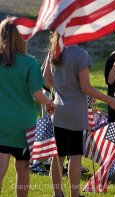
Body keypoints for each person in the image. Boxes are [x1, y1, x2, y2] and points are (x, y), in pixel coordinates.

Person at [44, 32, 115, 197]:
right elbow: (86, 88)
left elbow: (46, 79)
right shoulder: (81, 55)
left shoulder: (54, 50)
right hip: (76, 113)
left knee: (57, 156)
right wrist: (110, 100)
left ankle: (57, 194)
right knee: (75, 156)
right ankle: (75, 194)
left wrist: (61, 91)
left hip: (58, 110)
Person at [0, 16, 55, 197]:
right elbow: (37, 94)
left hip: (2, 123)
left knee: (0, 168)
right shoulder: (29, 62)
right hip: (24, 125)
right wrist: (50, 103)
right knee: (22, 169)